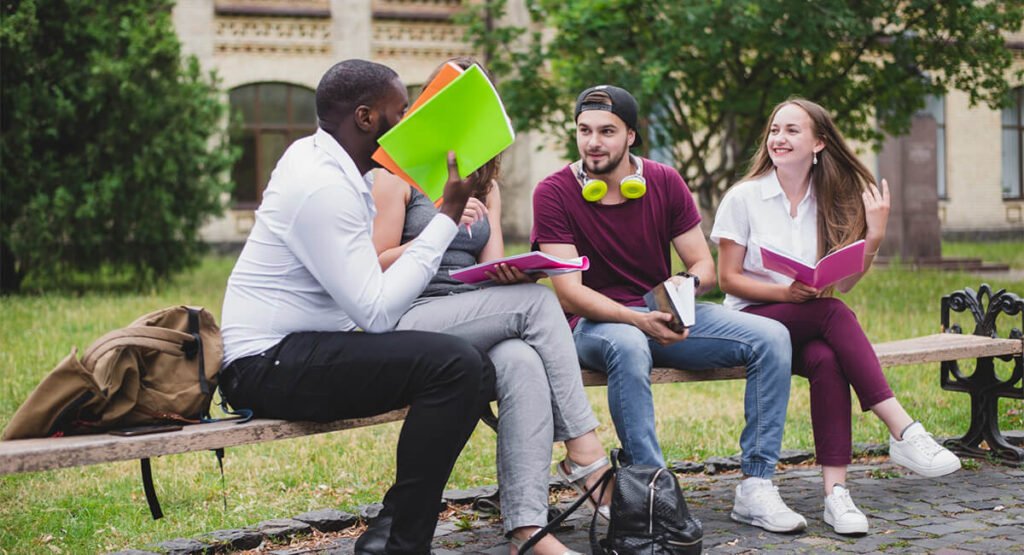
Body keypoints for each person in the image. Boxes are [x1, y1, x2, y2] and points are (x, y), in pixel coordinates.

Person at [218, 59, 496, 555]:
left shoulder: (335, 167)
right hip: (265, 363)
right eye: (401, 112)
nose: (409, 123)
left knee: (475, 367)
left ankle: (392, 530)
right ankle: (403, 542)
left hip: (307, 346)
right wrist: (447, 217)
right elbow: (377, 314)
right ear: (366, 118)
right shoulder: (322, 185)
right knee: (457, 365)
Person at [532, 84, 807, 533]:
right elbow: (569, 294)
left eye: (606, 131)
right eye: (584, 130)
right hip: (595, 323)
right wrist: (638, 319)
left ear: (631, 135)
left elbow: (704, 266)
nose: (593, 142)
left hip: (659, 313)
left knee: (772, 337)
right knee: (628, 343)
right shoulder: (553, 192)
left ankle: (757, 485)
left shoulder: (664, 181)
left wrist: (685, 285)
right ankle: (655, 494)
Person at [372, 56, 611, 555]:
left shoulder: (486, 184)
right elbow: (373, 265)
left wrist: (510, 272)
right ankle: (586, 450)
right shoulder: (396, 177)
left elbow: (491, 267)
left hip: (472, 313)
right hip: (410, 317)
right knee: (538, 303)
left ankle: (528, 531)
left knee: (522, 361)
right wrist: (443, 221)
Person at [711, 98, 962, 535]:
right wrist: (784, 292)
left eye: (792, 130)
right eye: (775, 130)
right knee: (832, 313)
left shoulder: (829, 201)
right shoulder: (744, 197)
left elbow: (843, 282)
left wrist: (874, 237)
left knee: (827, 359)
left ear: (819, 143)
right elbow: (728, 279)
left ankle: (836, 494)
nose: (779, 138)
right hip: (749, 322)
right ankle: (903, 429)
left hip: (803, 321)